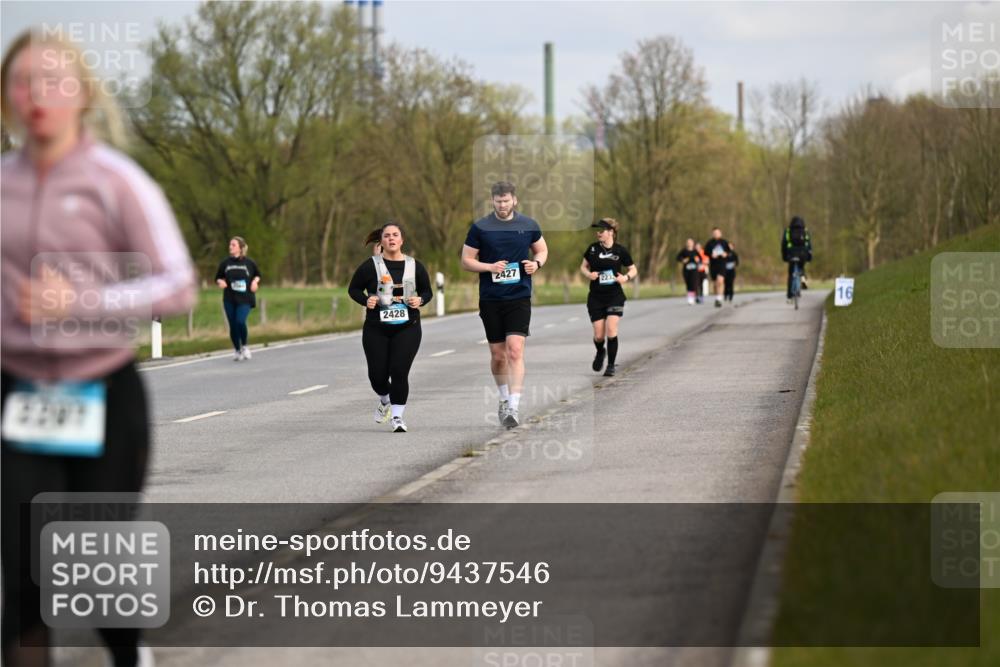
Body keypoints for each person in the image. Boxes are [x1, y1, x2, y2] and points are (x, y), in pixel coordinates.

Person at [1, 29, 197, 667]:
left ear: (82, 94)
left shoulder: (117, 181)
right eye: (22, 82)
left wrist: (82, 302)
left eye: (54, 81)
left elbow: (178, 285)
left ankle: (129, 654)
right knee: (22, 578)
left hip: (102, 390)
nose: (38, 95)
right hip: (16, 391)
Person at [461, 181, 548, 429]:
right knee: (498, 356)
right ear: (493, 201)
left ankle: (513, 405)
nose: (502, 205)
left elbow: (542, 250)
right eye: (498, 201)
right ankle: (503, 397)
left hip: (519, 297)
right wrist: (489, 267)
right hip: (491, 298)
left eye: (506, 200)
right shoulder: (480, 227)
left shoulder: (528, 225)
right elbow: (466, 261)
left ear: (514, 200)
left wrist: (536, 264)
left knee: (515, 350)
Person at [348, 223, 432, 433]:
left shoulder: (415, 266)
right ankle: (385, 399)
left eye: (395, 235)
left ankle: (397, 417)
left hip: (408, 326)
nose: (391, 239)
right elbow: (353, 289)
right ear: (382, 241)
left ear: (402, 240)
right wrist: (366, 300)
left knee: (399, 371)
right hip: (376, 327)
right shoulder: (370, 266)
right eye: (387, 236)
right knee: (377, 376)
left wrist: (420, 300)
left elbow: (427, 291)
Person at [581, 219, 637, 377]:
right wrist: (589, 275)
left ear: (611, 232)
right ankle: (600, 351)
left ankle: (611, 365)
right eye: (597, 231)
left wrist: (625, 278)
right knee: (599, 335)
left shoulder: (620, 250)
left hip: (614, 296)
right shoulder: (592, 249)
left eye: (601, 230)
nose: (598, 233)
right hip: (596, 297)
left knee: (611, 329)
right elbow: (583, 267)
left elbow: (633, 269)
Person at [215, 236, 261, 361]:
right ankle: (237, 350)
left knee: (240, 321)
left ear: (240, 248)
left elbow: (257, 275)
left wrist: (255, 282)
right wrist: (220, 282)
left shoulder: (249, 262)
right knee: (233, 325)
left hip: (245, 298)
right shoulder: (225, 263)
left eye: (233, 245)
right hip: (229, 298)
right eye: (230, 244)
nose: (230, 247)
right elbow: (218, 277)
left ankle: (244, 346)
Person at [781, 216, 813, 301]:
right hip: (802, 254)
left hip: (791, 254)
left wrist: (784, 256)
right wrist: (809, 257)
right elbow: (809, 245)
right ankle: (803, 280)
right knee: (801, 269)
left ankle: (790, 295)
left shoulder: (788, 231)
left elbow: (784, 244)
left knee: (791, 274)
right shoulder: (805, 230)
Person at [704, 227, 733, 308]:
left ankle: (719, 298)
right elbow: (705, 252)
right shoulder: (709, 243)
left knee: (720, 281)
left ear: (720, 233)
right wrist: (711, 254)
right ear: (712, 234)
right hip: (713, 264)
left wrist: (725, 254)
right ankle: (717, 297)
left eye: (717, 233)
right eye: (714, 233)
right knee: (715, 283)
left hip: (722, 264)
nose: (716, 234)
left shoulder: (724, 242)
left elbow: (730, 252)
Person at [676, 238, 701, 305]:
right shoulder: (684, 251)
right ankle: (690, 297)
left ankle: (692, 298)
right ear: (686, 243)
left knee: (693, 284)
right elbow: (678, 258)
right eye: (688, 242)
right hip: (686, 270)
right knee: (688, 284)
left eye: (690, 242)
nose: (689, 244)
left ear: (693, 243)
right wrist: (683, 260)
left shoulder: (695, 251)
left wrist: (698, 260)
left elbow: (700, 259)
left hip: (694, 270)